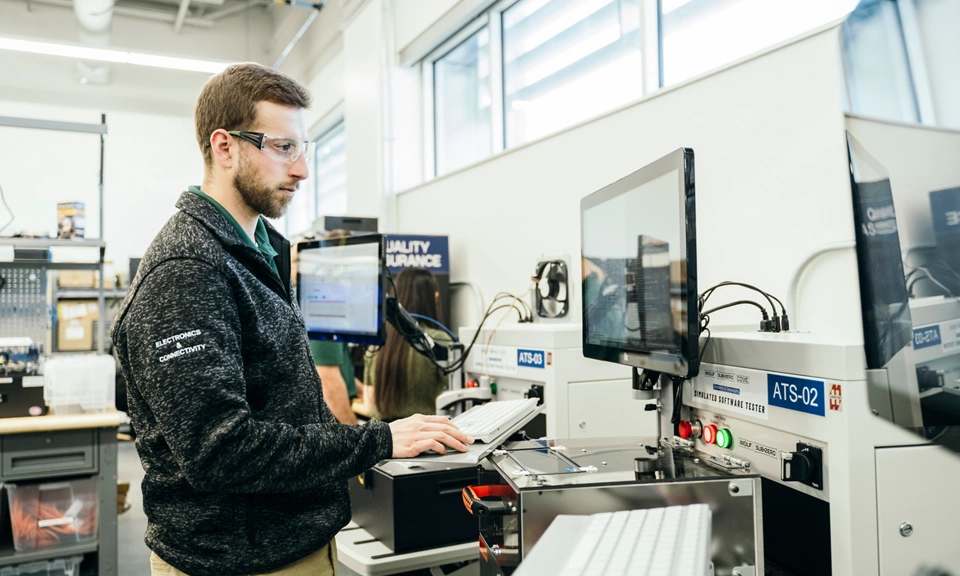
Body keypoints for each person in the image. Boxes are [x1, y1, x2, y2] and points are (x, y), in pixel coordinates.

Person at [111, 62, 472, 576]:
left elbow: (287, 408)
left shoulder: (260, 254)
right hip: (238, 562)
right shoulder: (189, 271)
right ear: (225, 146)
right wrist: (380, 440)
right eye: (283, 148)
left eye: (303, 149)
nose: (301, 169)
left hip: (290, 544)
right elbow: (221, 451)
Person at [364, 267, 451, 421]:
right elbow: (456, 392)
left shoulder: (376, 343)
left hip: (385, 437)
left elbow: (368, 401)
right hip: (422, 436)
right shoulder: (438, 341)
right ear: (432, 297)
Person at [304, 229, 361, 425]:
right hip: (331, 421)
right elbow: (328, 380)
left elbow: (336, 366)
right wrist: (358, 433)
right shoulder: (324, 301)